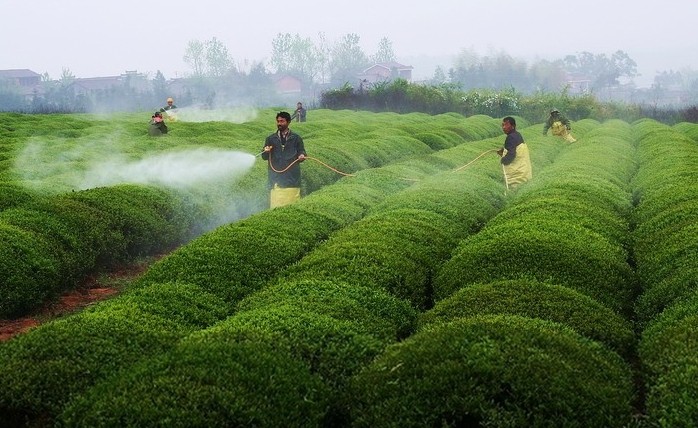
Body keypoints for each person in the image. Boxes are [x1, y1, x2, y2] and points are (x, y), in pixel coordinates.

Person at [262, 111, 307, 208]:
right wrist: (266, 151)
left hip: (292, 179)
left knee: (292, 207)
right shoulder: (270, 139)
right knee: (276, 207)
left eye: (282, 121)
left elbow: (302, 151)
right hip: (275, 179)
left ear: (288, 122)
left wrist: (301, 155)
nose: (279, 124)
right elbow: (264, 157)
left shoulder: (296, 138)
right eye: (278, 121)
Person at [497, 116, 532, 190]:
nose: (503, 127)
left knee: (514, 189)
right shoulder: (517, 134)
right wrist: (504, 151)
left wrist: (503, 160)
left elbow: (511, 155)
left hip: (517, 175)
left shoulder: (510, 137)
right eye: (503, 125)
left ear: (513, 126)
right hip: (524, 171)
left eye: (506, 125)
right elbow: (516, 149)